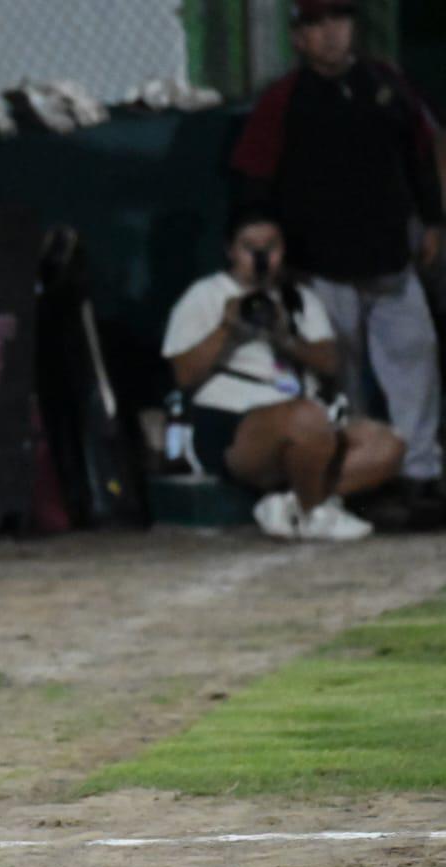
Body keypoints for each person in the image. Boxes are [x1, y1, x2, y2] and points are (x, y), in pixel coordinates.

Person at [230, 0, 444, 526]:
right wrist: (261, 234)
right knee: (336, 376)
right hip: (320, 266)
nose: (330, 34)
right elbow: (253, 174)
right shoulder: (284, 100)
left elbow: (420, 153)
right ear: (298, 37)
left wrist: (432, 220)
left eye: (339, 20)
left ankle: (420, 474)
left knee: (415, 359)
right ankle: (357, 480)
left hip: (390, 261)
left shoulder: (386, 85)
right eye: (316, 24)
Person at [163, 208, 404, 540]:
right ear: (231, 250)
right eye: (250, 248)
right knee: (306, 419)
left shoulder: (299, 298)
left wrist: (284, 336)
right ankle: (313, 511)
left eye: (271, 247)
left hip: (301, 416)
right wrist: (227, 329)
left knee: (387, 444)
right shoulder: (204, 295)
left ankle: (290, 505)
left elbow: (329, 363)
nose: (261, 258)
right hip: (230, 423)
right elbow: (184, 376)